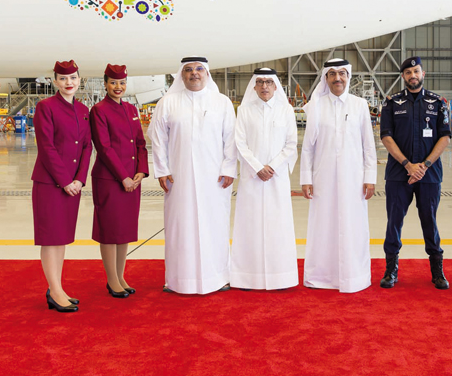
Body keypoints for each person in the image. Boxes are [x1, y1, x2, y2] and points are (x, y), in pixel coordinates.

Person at [148, 57, 237, 295]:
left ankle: (218, 277)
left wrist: (229, 169)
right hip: (179, 178)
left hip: (215, 179)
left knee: (215, 224)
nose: (194, 74)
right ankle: (179, 280)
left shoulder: (222, 102)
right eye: (188, 70)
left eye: (199, 69)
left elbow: (231, 139)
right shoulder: (168, 102)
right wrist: (162, 170)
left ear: (207, 74)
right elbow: (158, 139)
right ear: (181, 75)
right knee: (180, 226)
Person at [300, 59, 377, 293]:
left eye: (342, 73)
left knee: (353, 225)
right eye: (332, 74)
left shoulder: (359, 105)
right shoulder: (316, 106)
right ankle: (322, 276)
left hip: (354, 178)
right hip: (323, 178)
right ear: (326, 78)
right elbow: (308, 147)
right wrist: (306, 178)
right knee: (323, 226)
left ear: (348, 76)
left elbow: (368, 145)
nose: (337, 78)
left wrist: (370, 176)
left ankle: (354, 276)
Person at [379, 56, 452, 290]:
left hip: (429, 175)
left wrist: (425, 165)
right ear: (403, 76)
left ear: (423, 73)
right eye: (408, 72)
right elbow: (386, 137)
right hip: (398, 174)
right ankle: (391, 270)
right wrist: (408, 165)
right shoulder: (391, 103)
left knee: (430, 221)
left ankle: (437, 271)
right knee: (394, 222)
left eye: (416, 71)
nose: (413, 76)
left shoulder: (438, 102)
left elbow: (445, 136)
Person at [31, 60, 92, 313]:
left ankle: (57, 287)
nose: (70, 83)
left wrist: (79, 179)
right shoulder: (46, 107)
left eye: (74, 78)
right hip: (50, 183)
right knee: (51, 238)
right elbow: (47, 148)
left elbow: (87, 146)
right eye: (64, 79)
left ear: (79, 80)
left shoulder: (83, 109)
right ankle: (55, 290)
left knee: (62, 238)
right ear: (55, 81)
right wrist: (66, 180)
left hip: (73, 185)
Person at [231, 68, 299, 290]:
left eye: (269, 82)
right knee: (249, 225)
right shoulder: (244, 110)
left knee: (277, 225)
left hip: (276, 179)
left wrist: (272, 167)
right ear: (254, 85)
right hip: (252, 178)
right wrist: (258, 168)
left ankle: (281, 276)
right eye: (260, 82)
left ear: (275, 85)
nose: (264, 86)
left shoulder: (286, 110)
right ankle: (246, 277)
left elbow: (291, 144)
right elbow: (239, 143)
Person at [89, 63, 149, 298]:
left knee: (124, 230)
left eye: (122, 83)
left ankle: (121, 275)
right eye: (113, 83)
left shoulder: (132, 109)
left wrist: (141, 172)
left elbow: (140, 144)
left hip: (132, 180)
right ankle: (111, 279)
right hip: (110, 179)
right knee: (110, 230)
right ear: (105, 84)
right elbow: (103, 148)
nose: (118, 87)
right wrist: (123, 176)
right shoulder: (99, 110)